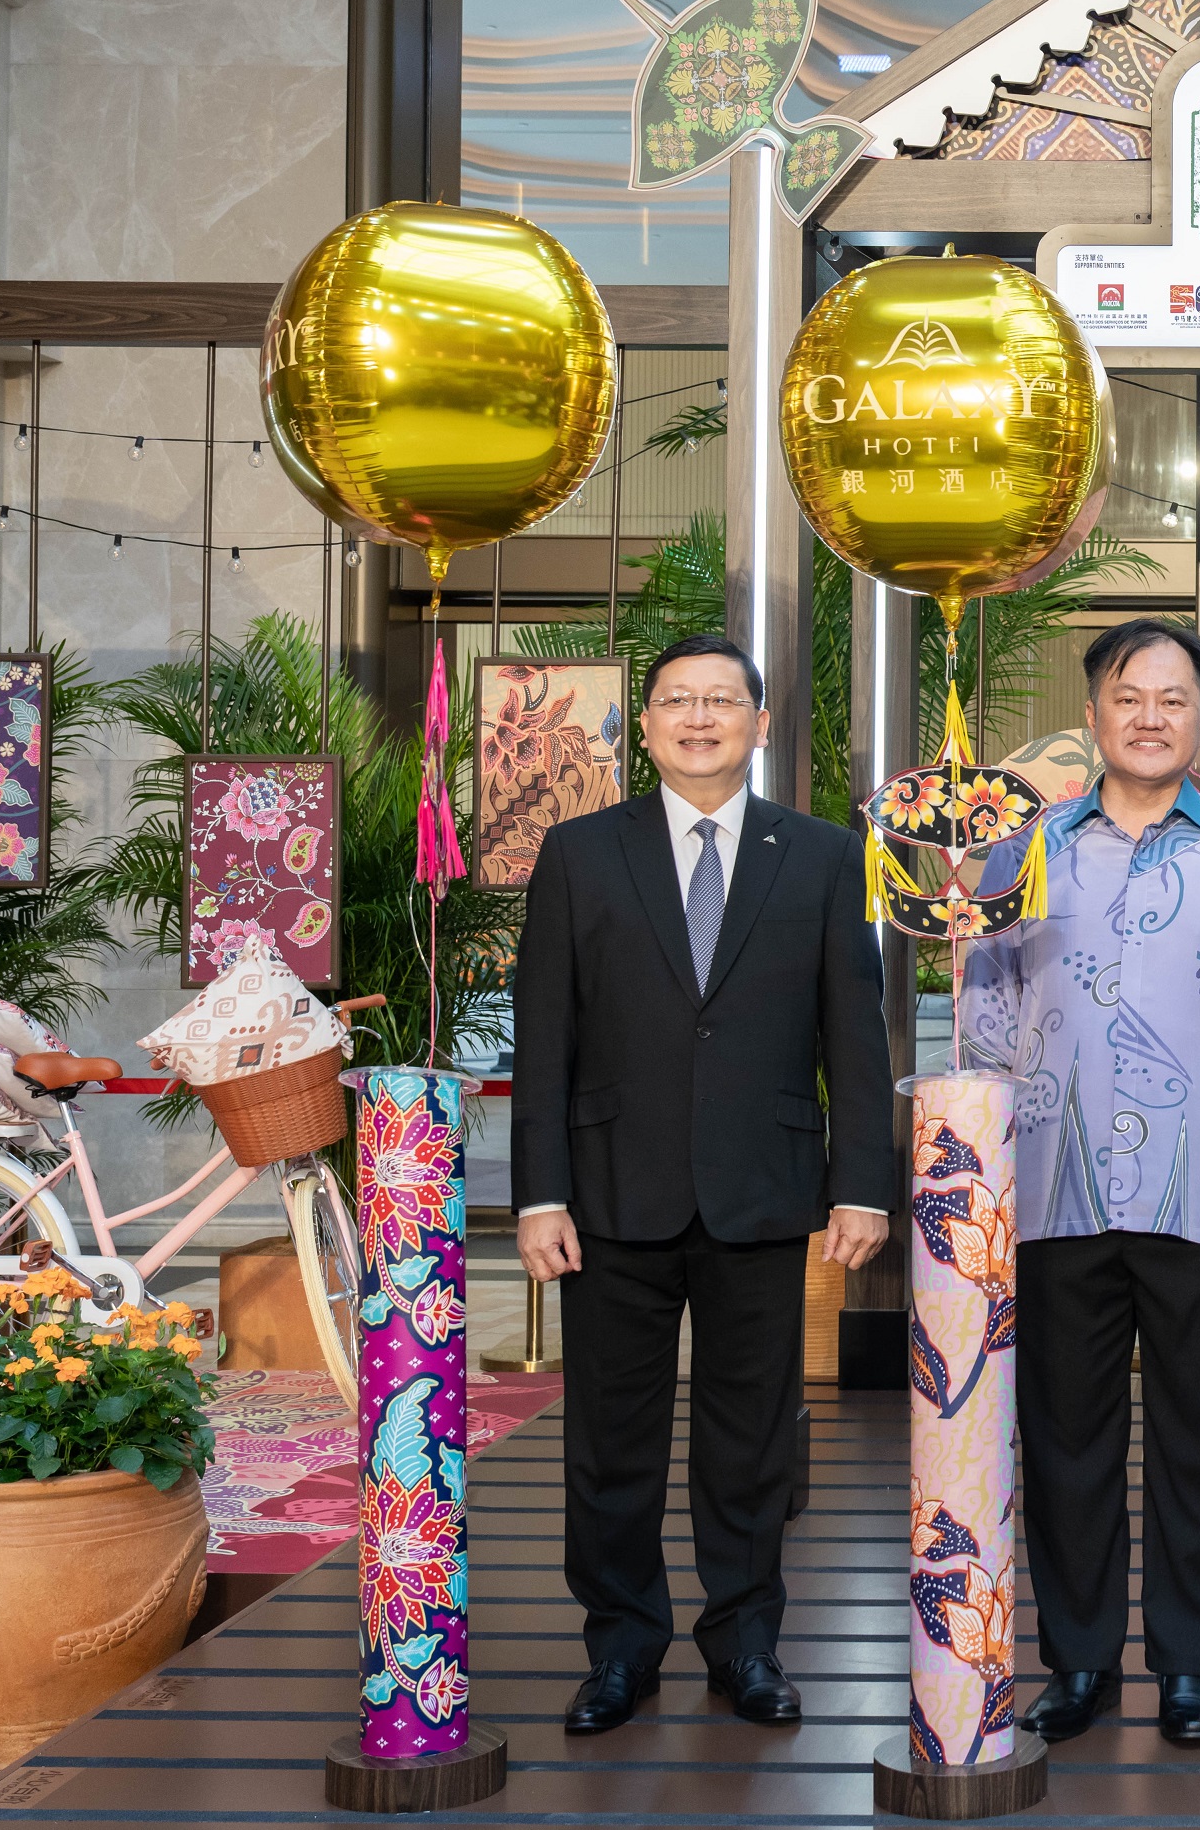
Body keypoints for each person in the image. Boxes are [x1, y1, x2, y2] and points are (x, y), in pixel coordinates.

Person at [510, 634, 895, 1735]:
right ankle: (622, 1646)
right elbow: (547, 1034)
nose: (698, 716)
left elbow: (851, 1035)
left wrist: (858, 1182)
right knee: (609, 1438)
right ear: (643, 725)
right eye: (675, 699)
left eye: (720, 700)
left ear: (759, 724)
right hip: (608, 1192)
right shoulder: (582, 851)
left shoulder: (821, 853)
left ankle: (746, 1641)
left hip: (764, 1191)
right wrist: (538, 1190)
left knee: (752, 1438)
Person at [959, 617, 1200, 1749]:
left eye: (1173, 696)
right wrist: (981, 1167)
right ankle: (1074, 1660)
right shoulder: (1020, 847)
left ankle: (1189, 1662)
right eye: (1129, 694)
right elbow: (983, 1016)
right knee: (1063, 1437)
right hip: (1054, 1185)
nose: (1150, 714)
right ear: (1094, 712)